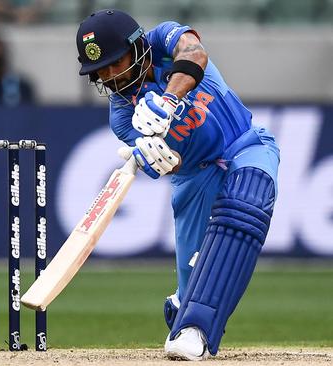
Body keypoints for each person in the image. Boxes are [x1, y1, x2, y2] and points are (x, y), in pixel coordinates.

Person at [75, 10, 279, 361]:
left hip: (245, 144)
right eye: (101, 71)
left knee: (248, 199)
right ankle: (184, 305)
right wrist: (156, 153)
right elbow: (176, 164)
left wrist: (167, 101)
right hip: (194, 181)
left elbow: (195, 54)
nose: (111, 76)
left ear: (136, 45)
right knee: (195, 285)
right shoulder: (122, 116)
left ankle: (195, 329)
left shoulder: (164, 38)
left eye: (115, 62)